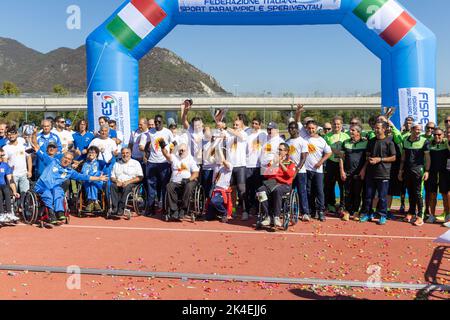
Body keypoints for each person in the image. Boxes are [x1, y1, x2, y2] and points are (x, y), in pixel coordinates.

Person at [34, 151, 108, 224]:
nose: (66, 160)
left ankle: (59, 212)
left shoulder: (70, 172)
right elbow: (41, 154)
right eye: (65, 158)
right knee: (48, 195)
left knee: (59, 191)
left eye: (69, 159)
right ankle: (50, 212)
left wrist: (98, 178)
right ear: (62, 158)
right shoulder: (53, 162)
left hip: (54, 187)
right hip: (42, 186)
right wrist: (35, 147)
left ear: (71, 162)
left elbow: (83, 177)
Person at [359, 121, 397, 225]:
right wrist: (363, 169)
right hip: (370, 174)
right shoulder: (371, 141)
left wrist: (379, 159)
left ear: (384, 129)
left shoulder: (389, 142)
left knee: (382, 197)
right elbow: (368, 157)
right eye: (375, 128)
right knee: (368, 196)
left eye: (378, 128)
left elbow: (394, 157)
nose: (375, 130)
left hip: (383, 173)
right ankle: (367, 213)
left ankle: (382, 215)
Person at [257, 143, 296, 228]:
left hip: (284, 184)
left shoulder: (290, 162)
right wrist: (274, 164)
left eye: (281, 150)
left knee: (277, 190)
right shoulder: (272, 162)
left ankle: (276, 217)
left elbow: (290, 174)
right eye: (278, 149)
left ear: (286, 152)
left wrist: (280, 163)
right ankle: (267, 216)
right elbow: (266, 175)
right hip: (272, 183)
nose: (279, 151)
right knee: (260, 191)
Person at [141, 115, 174, 216]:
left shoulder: (167, 132)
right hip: (152, 162)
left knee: (164, 187)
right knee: (151, 187)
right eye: (156, 122)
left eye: (159, 122)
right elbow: (146, 145)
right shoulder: (150, 132)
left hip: (164, 163)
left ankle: (164, 208)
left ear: (162, 122)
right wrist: (146, 155)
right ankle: (151, 209)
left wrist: (170, 155)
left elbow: (173, 143)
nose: (157, 124)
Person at [398, 123, 430, 227]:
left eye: (420, 130)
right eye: (416, 129)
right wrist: (400, 170)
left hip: (418, 171)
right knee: (410, 192)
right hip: (407, 170)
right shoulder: (406, 140)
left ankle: (420, 216)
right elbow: (403, 157)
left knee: (418, 193)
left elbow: (427, 158)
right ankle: (411, 212)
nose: (418, 131)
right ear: (411, 129)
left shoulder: (424, 141)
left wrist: (427, 171)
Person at [217, 118, 248, 220]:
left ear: (242, 126)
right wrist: (220, 128)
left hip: (240, 166)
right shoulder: (229, 135)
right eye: (234, 124)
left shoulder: (244, 134)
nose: (235, 126)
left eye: (237, 125)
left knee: (242, 190)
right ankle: (232, 210)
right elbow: (222, 135)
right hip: (230, 167)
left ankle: (244, 211)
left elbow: (236, 133)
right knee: (232, 190)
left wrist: (225, 127)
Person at [161, 142, 199, 221]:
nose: (181, 152)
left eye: (183, 150)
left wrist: (188, 179)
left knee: (189, 186)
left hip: (188, 181)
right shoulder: (174, 157)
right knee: (169, 186)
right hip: (175, 182)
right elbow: (166, 154)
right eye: (179, 150)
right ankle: (174, 210)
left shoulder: (190, 159)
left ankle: (183, 209)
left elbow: (196, 173)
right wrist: (162, 147)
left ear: (187, 151)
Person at [304, 120, 332, 222]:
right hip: (306, 170)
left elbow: (329, 153)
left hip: (318, 170)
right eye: (309, 128)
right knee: (309, 191)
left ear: (316, 129)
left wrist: (321, 162)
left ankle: (320, 211)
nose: (311, 130)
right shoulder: (304, 139)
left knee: (319, 191)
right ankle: (312, 210)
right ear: (306, 128)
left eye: (313, 128)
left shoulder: (321, 140)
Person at [339, 125, 367, 221]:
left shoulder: (365, 143)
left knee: (357, 193)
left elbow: (367, 159)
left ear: (358, 132)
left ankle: (355, 212)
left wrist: (363, 170)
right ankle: (347, 212)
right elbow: (341, 158)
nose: (350, 131)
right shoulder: (345, 142)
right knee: (347, 193)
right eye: (350, 130)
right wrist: (342, 171)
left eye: (353, 130)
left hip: (359, 174)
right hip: (347, 173)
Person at [324, 116, 350, 215]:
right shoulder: (327, 136)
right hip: (331, 163)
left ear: (341, 125)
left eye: (338, 124)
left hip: (342, 164)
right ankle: (331, 204)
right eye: (334, 124)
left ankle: (342, 206)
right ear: (332, 124)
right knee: (329, 185)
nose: (336, 126)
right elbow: (326, 150)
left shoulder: (346, 136)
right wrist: (334, 151)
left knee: (342, 185)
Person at [3, 126, 32, 209]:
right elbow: (5, 162)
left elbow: (29, 158)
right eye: (9, 135)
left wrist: (30, 171)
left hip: (24, 174)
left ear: (17, 134)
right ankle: (14, 211)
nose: (11, 136)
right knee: (13, 194)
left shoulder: (23, 145)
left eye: (12, 134)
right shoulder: (5, 148)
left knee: (25, 194)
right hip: (13, 175)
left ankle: (25, 210)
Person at [286, 121, 310, 221]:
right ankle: (288, 211)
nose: (291, 130)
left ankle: (305, 213)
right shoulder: (287, 142)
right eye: (290, 128)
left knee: (302, 192)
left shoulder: (303, 141)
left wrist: (297, 169)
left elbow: (303, 158)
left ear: (297, 129)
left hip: (300, 172)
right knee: (288, 192)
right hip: (289, 172)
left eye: (293, 128)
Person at [425, 128, 449, 224]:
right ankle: (432, 215)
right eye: (435, 134)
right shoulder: (429, 143)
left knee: (445, 195)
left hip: (444, 173)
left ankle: (447, 216)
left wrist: (447, 141)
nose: (437, 136)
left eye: (439, 134)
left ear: (443, 135)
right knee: (432, 195)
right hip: (432, 173)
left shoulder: (447, 143)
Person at [110, 148, 144, 217]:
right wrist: (117, 181)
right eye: (123, 153)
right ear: (121, 154)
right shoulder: (117, 163)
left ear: (130, 153)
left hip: (131, 183)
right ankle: (115, 208)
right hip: (119, 182)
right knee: (112, 186)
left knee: (127, 187)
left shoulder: (136, 163)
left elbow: (140, 177)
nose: (125, 155)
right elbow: (112, 177)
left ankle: (121, 208)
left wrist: (128, 182)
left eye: (127, 153)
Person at [205, 140, 233, 222]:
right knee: (209, 217)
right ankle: (215, 213)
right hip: (214, 189)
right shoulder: (216, 164)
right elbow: (207, 155)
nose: (217, 156)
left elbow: (224, 161)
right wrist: (215, 144)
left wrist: (219, 149)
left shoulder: (229, 165)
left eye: (218, 155)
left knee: (214, 201)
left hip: (223, 191)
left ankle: (224, 213)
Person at [245, 117, 267, 216]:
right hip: (248, 165)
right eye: (253, 123)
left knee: (259, 189)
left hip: (258, 166)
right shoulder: (247, 133)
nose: (254, 125)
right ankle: (249, 209)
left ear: (260, 125)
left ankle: (260, 208)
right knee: (248, 189)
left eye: (256, 123)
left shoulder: (263, 134)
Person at [81, 146, 106, 213]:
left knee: (94, 182)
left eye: (93, 152)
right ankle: (95, 202)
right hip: (88, 182)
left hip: (98, 182)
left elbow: (105, 163)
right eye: (89, 152)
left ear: (96, 154)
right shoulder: (85, 164)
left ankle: (90, 202)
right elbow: (83, 173)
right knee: (91, 183)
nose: (91, 154)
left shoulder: (99, 162)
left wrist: (102, 153)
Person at [0, 148, 20, 223]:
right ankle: (1, 214)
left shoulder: (5, 165)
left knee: (6, 189)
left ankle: (9, 213)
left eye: (2, 156)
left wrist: (15, 192)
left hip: (3, 186)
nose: (1, 158)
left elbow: (10, 180)